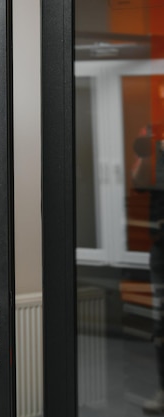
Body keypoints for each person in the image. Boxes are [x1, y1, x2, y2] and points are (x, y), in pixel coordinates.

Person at [132, 124, 164, 415]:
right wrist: (146, 151)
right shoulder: (157, 150)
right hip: (162, 250)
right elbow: (138, 181)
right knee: (161, 323)